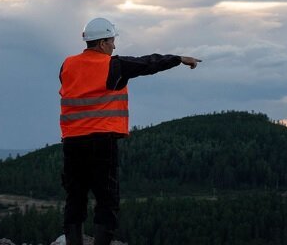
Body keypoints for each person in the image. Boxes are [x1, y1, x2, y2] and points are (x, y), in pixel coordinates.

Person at [59, 17, 201, 245]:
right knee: (107, 200)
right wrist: (178, 59)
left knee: (75, 197)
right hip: (101, 142)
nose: (114, 46)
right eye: (112, 41)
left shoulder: (67, 65)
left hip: (72, 143)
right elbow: (147, 63)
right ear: (103, 42)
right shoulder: (113, 66)